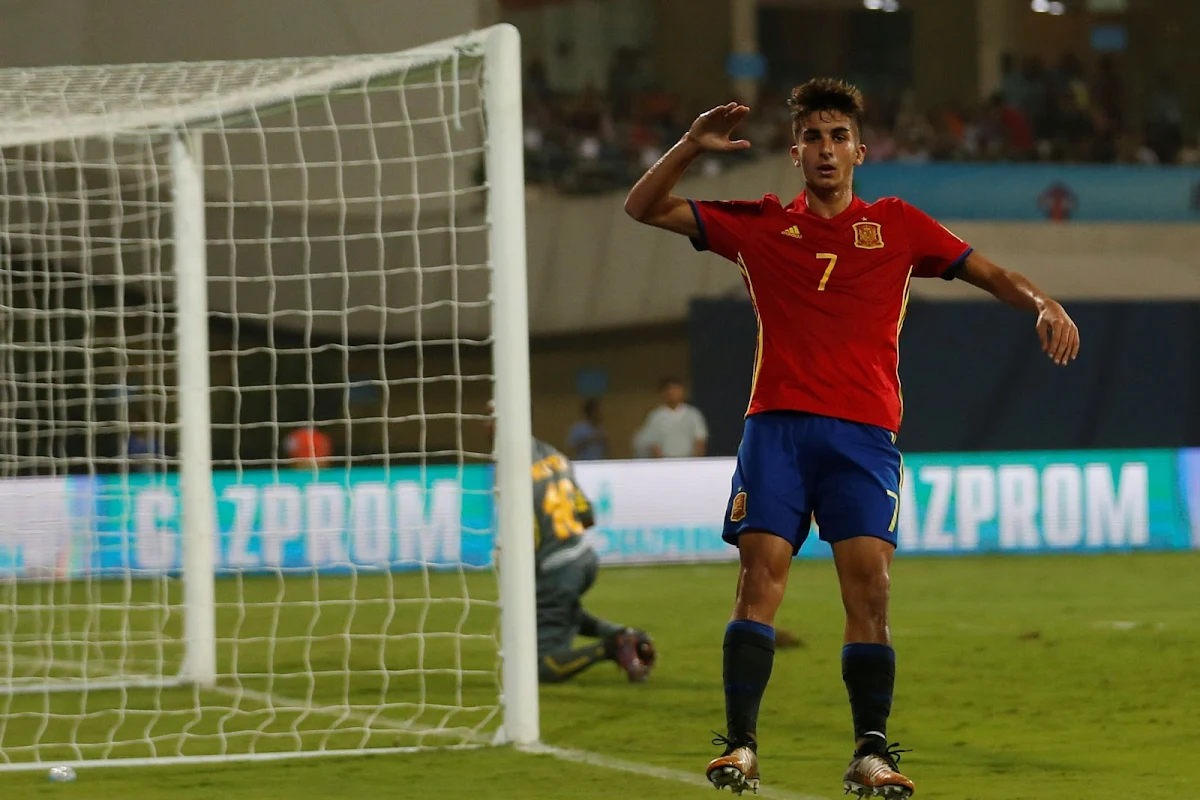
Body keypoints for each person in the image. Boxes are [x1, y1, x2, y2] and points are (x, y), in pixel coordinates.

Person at [623, 79, 1079, 797]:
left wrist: (1043, 302)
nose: (826, 149)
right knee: (759, 581)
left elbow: (990, 272)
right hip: (776, 428)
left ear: (861, 151)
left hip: (865, 438)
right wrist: (689, 145)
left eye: (838, 136)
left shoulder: (898, 225)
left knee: (870, 591)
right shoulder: (760, 224)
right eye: (812, 136)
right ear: (795, 150)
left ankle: (870, 752)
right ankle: (740, 745)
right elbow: (641, 207)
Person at [490, 402, 655, 683]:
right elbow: (587, 515)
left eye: (491, 415)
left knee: (541, 666)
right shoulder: (554, 456)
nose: (486, 422)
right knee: (554, 608)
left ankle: (612, 647)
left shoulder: (512, 467)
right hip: (583, 556)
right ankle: (621, 635)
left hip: (558, 567)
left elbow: (525, 534)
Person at [639, 377, 708, 458]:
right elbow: (653, 443)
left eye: (676, 389)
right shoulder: (656, 416)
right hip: (665, 463)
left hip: (689, 462)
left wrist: (696, 463)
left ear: (682, 391)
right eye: (669, 390)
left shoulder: (693, 414)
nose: (673, 393)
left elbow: (700, 440)